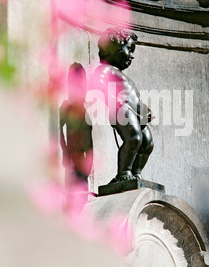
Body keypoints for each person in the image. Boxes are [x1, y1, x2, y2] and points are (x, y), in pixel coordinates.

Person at [89, 27, 154, 183]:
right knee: (134, 137)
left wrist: (144, 109)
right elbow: (96, 84)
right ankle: (123, 173)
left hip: (135, 112)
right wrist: (112, 98)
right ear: (112, 47)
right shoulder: (105, 70)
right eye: (129, 49)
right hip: (119, 108)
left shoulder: (120, 74)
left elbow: (134, 97)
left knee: (148, 143)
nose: (132, 56)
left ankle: (136, 173)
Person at [60, 63, 93, 209]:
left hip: (83, 155)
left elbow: (89, 134)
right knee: (74, 189)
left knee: (83, 189)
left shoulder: (84, 109)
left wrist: (91, 154)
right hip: (74, 154)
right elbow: (60, 130)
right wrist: (65, 150)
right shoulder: (67, 106)